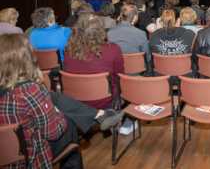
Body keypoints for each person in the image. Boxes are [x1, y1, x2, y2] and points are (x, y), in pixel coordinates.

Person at [0, 34, 123, 169]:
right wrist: (57, 113)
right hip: (31, 156)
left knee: (53, 96)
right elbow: (53, 132)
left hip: (6, 151)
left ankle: (98, 114)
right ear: (27, 58)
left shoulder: (20, 90)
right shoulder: (30, 91)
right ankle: (98, 116)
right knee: (69, 124)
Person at [64, 14, 124, 109]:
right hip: (104, 101)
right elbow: (119, 76)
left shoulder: (68, 50)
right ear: (101, 30)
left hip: (74, 100)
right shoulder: (113, 49)